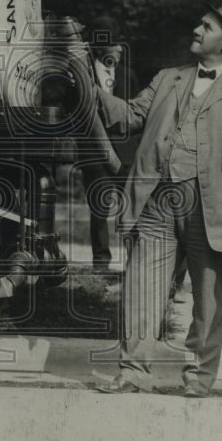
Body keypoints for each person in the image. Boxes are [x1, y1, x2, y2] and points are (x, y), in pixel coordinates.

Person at [93, 2, 222, 397]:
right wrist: (93, 85)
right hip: (156, 199)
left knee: (208, 294)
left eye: (206, 26)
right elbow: (127, 117)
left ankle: (199, 378)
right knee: (140, 287)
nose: (196, 29)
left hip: (211, 206)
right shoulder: (168, 78)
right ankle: (133, 371)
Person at [82, 16, 139, 271]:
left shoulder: (129, 76)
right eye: (114, 45)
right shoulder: (83, 74)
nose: (118, 50)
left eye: (120, 46)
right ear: (100, 47)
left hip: (125, 154)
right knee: (99, 208)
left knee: (129, 209)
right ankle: (101, 263)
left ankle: (134, 262)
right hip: (95, 153)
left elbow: (136, 115)